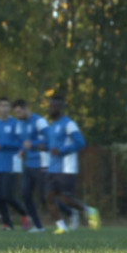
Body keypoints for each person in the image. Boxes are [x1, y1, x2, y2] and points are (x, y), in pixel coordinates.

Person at [12, 99, 79, 232]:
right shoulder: (20, 124)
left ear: (26, 109)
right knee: (25, 195)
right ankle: (38, 226)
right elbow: (24, 143)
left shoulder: (39, 121)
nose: (18, 116)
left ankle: (71, 213)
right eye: (16, 113)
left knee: (46, 197)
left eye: (20, 112)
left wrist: (34, 144)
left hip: (42, 163)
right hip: (29, 164)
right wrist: (22, 150)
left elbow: (50, 139)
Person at [44, 96, 101, 234]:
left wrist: (62, 151)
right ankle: (61, 226)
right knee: (48, 197)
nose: (51, 108)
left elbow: (81, 143)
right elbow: (51, 146)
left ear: (61, 107)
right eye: (50, 106)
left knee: (66, 199)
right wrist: (43, 147)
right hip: (53, 167)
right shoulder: (51, 127)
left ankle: (89, 211)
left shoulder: (69, 124)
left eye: (54, 106)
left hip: (67, 168)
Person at [0, 97, 30, 231]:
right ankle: (7, 224)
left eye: (7, 106)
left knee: (7, 195)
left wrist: (2, 145)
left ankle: (25, 214)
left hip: (11, 164)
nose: (4, 109)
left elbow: (21, 143)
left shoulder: (15, 124)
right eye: (2, 106)